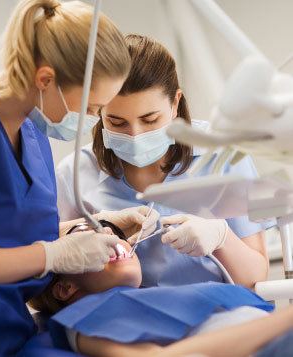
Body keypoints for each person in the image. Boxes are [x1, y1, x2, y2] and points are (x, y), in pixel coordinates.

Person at [0, 2, 159, 355]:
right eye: (92, 108)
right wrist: (53, 255)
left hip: (9, 336)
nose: (94, 120)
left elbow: (1, 236)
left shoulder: (33, 133)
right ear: (45, 80)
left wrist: (100, 224)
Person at [56, 34, 271, 289]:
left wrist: (222, 237)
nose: (135, 135)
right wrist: (95, 228)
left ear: (175, 104)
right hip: (125, 319)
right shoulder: (75, 175)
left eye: (150, 119)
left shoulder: (223, 156)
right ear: (98, 110)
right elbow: (51, 270)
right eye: (117, 122)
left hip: (217, 313)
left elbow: (256, 277)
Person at [28, 231, 292, 357]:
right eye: (85, 235)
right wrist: (283, 321)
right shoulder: (80, 323)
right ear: (65, 287)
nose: (107, 234)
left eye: (108, 230)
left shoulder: (153, 296)